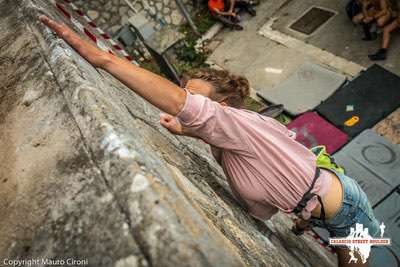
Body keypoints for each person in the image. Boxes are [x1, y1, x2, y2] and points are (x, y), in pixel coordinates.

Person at [40, 15, 381, 267]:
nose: (187, 102)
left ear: (223, 107)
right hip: (322, 208)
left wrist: (105, 60)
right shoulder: (232, 141)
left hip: (348, 209)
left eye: (194, 98)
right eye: (186, 91)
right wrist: (188, 131)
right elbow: (263, 204)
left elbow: (184, 107)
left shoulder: (241, 125)